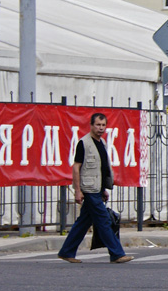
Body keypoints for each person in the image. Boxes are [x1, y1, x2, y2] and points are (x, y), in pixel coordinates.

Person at [57, 113, 133, 264]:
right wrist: (78, 190)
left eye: (103, 125)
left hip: (97, 189)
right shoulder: (83, 143)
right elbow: (76, 168)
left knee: (83, 222)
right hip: (89, 189)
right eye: (98, 125)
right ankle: (117, 253)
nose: (100, 128)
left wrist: (103, 189)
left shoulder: (102, 143)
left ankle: (66, 251)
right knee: (103, 220)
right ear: (91, 125)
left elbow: (101, 169)